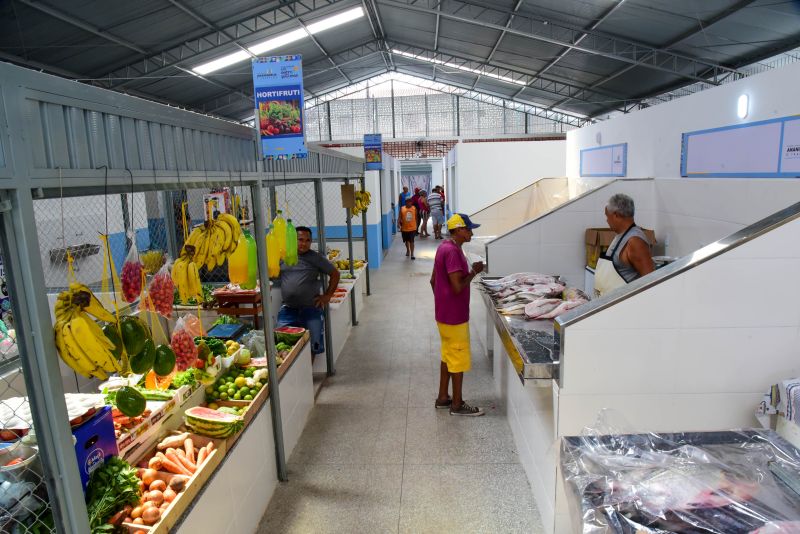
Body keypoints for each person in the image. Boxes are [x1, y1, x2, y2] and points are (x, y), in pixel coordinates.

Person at [431, 213, 485, 416]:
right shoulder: (453, 252)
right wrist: (474, 272)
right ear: (459, 230)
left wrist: (442, 302)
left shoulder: (443, 247)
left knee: (447, 356)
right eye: (469, 229)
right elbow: (457, 287)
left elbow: (433, 280)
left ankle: (443, 397)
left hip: (444, 314)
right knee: (458, 358)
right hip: (455, 317)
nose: (471, 232)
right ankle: (457, 404)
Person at [277, 226, 340, 355]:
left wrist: (327, 296)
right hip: (288, 309)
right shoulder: (283, 257)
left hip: (311, 308)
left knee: (314, 346)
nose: (304, 243)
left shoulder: (315, 258)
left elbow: (335, 274)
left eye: (307, 240)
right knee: (281, 345)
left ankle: (308, 374)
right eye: (300, 240)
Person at [594, 193, 654, 297]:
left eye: (607, 216)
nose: (606, 220)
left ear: (616, 215)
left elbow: (650, 281)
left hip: (625, 306)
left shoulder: (635, 241)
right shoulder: (620, 235)